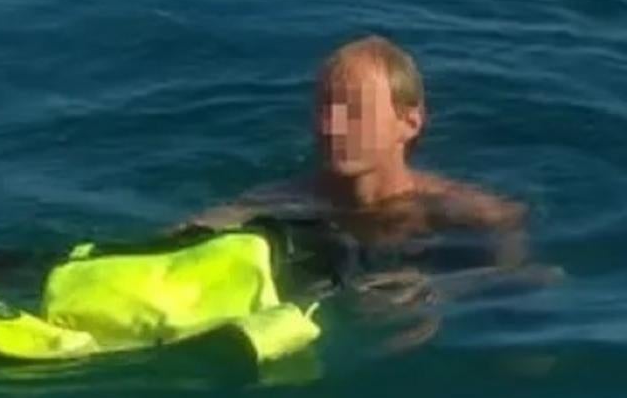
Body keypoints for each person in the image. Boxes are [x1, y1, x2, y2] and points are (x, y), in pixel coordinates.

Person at [179, 35, 558, 349]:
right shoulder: (288, 199)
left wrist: (439, 293)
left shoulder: (469, 212)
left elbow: (525, 280)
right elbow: (200, 228)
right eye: (324, 110)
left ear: (409, 123)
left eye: (353, 112)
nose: (331, 127)